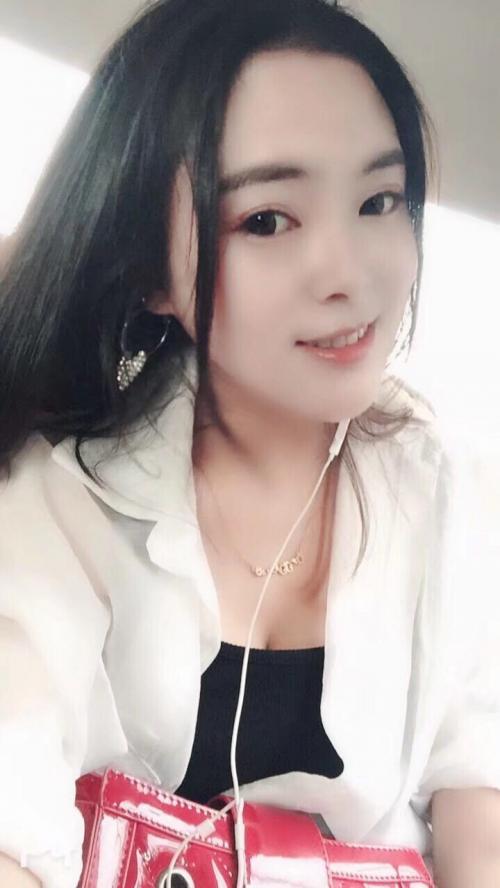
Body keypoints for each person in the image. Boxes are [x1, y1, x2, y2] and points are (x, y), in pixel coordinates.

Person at [1, 0, 499, 886]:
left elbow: (481, 804)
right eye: (267, 219)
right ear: (149, 268)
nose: (348, 273)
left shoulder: (454, 491)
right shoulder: (62, 503)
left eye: (379, 200)